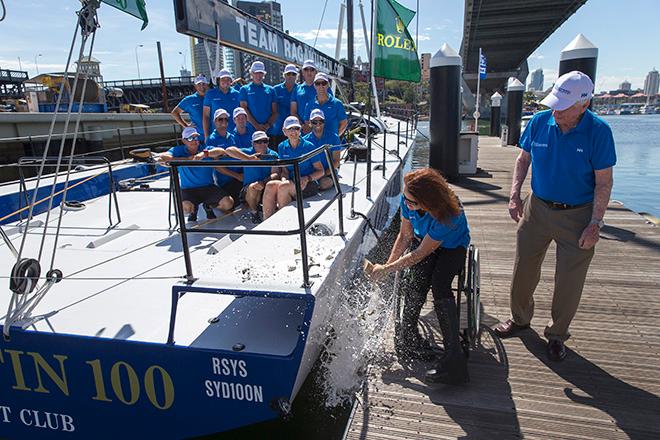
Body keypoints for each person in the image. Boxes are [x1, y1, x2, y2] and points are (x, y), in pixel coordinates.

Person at [493, 71, 616, 362]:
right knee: (523, 267)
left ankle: (557, 334)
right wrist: (514, 195)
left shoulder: (599, 132)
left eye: (563, 106)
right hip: (537, 207)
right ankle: (520, 319)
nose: (556, 111)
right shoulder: (539, 121)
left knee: (569, 280)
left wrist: (595, 223)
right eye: (554, 104)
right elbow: (523, 159)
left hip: (578, 213)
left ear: (584, 105)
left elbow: (604, 182)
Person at [365, 168, 471, 384]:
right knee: (415, 282)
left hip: (452, 247)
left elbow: (420, 253)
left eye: (411, 201)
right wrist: (388, 265)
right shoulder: (409, 200)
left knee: (439, 283)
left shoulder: (450, 215)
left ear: (429, 201)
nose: (406, 203)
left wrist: (386, 270)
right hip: (423, 241)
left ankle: (454, 359)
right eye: (405, 198)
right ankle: (408, 337)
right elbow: (405, 236)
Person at [157, 127, 232, 221]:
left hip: (208, 187)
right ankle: (193, 210)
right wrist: (187, 160)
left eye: (196, 138)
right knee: (186, 208)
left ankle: (208, 206)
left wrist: (204, 154)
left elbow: (221, 151)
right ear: (184, 141)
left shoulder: (205, 149)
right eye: (190, 138)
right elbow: (162, 158)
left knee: (228, 203)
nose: (194, 141)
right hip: (188, 190)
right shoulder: (177, 150)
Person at [262, 116, 324, 220]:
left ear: (300, 130)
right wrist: (283, 179)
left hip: (308, 184)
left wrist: (307, 178)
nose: (293, 132)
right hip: (291, 182)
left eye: (296, 128)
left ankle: (284, 221)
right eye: (290, 129)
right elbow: (285, 170)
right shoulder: (282, 146)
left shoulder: (309, 146)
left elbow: (320, 171)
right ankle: (267, 220)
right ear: (284, 131)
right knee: (270, 185)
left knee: (284, 187)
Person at [223, 131, 279, 222]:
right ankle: (254, 212)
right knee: (253, 187)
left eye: (265, 141)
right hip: (248, 188)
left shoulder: (273, 154)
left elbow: (275, 173)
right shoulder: (248, 152)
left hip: (266, 187)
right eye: (258, 142)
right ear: (252, 143)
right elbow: (228, 150)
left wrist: (263, 182)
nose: (262, 144)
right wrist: (248, 158)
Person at [205, 108, 243, 210]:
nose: (224, 122)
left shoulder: (232, 137)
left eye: (226, 120)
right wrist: (237, 176)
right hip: (225, 180)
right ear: (214, 121)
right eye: (220, 119)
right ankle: (210, 205)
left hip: (238, 177)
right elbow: (216, 166)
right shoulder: (211, 140)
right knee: (231, 205)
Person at [303, 108, 343, 190]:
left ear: (324, 123)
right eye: (314, 122)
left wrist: (322, 174)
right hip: (311, 174)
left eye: (320, 121)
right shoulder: (304, 140)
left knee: (325, 183)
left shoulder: (334, 137)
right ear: (310, 123)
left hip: (328, 172)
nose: (318, 124)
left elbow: (336, 161)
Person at [290, 59, 332, 134]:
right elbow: (293, 111)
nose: (309, 72)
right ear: (302, 72)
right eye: (306, 69)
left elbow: (331, 107)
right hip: (304, 131)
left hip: (323, 130)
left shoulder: (325, 87)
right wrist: (303, 126)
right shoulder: (296, 89)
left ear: (316, 72)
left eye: (312, 69)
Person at [239, 61, 278, 140]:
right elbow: (244, 109)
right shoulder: (244, 89)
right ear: (251, 73)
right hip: (250, 131)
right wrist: (256, 125)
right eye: (256, 73)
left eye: (260, 73)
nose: (258, 75)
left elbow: (275, 112)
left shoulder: (271, 90)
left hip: (269, 131)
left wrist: (266, 126)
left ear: (264, 74)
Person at [303, 72, 347, 137]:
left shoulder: (337, 103)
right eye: (318, 83)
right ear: (314, 86)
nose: (321, 86)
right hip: (316, 145)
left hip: (332, 146)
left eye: (323, 83)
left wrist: (335, 138)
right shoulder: (309, 105)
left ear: (327, 85)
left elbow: (344, 123)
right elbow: (307, 123)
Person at [203, 69, 241, 139]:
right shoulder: (210, 94)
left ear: (231, 81)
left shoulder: (237, 94)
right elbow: (206, 116)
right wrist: (206, 135)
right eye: (223, 79)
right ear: (218, 80)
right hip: (216, 135)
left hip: (234, 135)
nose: (225, 81)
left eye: (228, 79)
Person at [171, 74, 208, 141]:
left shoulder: (212, 97)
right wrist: (186, 126)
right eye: (199, 84)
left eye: (203, 84)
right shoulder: (189, 100)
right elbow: (175, 112)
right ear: (195, 86)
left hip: (213, 136)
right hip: (198, 139)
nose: (202, 86)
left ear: (207, 85)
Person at [272, 64, 299, 147]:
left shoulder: (300, 89)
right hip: (278, 130)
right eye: (288, 74)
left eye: (293, 74)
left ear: (296, 76)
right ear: (284, 75)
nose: (291, 76)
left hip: (295, 130)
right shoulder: (276, 89)